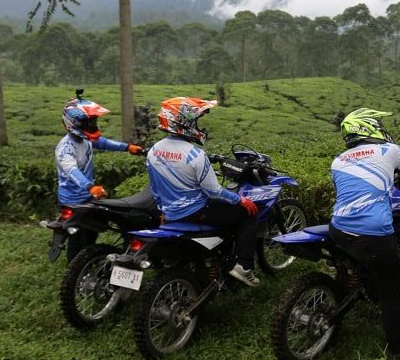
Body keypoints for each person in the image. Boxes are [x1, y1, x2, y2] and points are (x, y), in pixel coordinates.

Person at [329, 108, 400, 360]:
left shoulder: (338, 160)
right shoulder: (388, 151)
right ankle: (399, 352)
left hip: (339, 228)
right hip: (374, 233)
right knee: (391, 292)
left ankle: (358, 285)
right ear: (368, 127)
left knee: (361, 260)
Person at [145, 97, 261, 287]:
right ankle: (244, 266)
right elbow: (214, 191)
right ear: (184, 122)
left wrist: (163, 211)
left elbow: (155, 189)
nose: (199, 126)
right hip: (197, 211)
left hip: (171, 212)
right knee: (248, 214)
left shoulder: (154, 151)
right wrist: (240, 200)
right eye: (196, 120)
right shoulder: (195, 154)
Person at [55, 89, 144, 261]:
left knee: (93, 231)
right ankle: (74, 267)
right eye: (88, 122)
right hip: (73, 200)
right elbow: (72, 171)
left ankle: (88, 258)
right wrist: (90, 187)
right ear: (74, 123)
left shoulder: (85, 139)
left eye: (93, 121)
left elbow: (102, 143)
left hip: (89, 196)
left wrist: (127, 147)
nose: (92, 125)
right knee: (78, 237)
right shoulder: (65, 149)